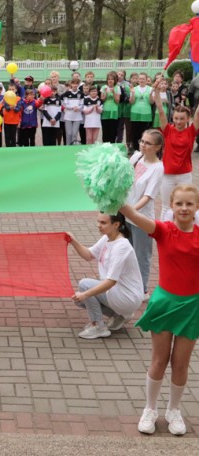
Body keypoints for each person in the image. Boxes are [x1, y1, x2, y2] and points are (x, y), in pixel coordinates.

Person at [120, 184, 199, 436]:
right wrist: (115, 199)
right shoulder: (164, 230)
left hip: (192, 306)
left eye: (189, 204)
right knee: (159, 360)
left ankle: (173, 410)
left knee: (181, 363)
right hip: (165, 303)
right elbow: (132, 215)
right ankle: (150, 409)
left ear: (197, 207)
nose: (184, 208)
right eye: (179, 204)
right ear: (172, 206)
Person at [67, 213, 143, 339]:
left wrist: (86, 294)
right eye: (98, 222)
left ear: (116, 225)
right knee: (81, 300)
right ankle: (119, 316)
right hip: (119, 293)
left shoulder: (121, 246)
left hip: (127, 296)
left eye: (103, 223)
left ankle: (98, 327)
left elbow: (111, 282)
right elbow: (88, 255)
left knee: (84, 286)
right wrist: (73, 241)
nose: (98, 225)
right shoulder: (107, 238)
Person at [126, 129, 164, 298]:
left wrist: (133, 212)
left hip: (141, 219)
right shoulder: (136, 157)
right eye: (142, 141)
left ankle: (142, 290)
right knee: (127, 252)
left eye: (148, 143)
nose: (143, 145)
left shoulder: (158, 168)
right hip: (126, 213)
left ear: (158, 147)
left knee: (142, 256)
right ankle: (127, 284)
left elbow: (148, 196)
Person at [153, 81, 199, 217]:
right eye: (176, 119)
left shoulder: (191, 131)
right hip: (167, 174)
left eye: (182, 119)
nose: (178, 122)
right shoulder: (167, 130)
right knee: (166, 206)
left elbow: (197, 114)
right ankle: (164, 235)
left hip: (185, 175)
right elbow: (160, 109)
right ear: (172, 118)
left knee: (185, 206)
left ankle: (183, 233)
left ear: (187, 119)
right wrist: (156, 91)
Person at [129, 72, 153, 151]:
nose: (141, 80)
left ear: (146, 80)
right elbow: (131, 102)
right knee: (135, 133)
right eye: (140, 79)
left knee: (145, 133)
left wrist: (150, 95)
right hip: (135, 113)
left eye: (143, 79)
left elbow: (152, 102)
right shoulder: (134, 89)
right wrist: (132, 94)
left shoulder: (150, 89)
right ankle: (136, 150)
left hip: (146, 113)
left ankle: (144, 150)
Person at [61, 78, 84, 145]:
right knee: (69, 134)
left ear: (78, 84)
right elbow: (65, 104)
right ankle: (68, 147)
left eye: (76, 83)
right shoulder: (67, 93)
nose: (75, 85)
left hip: (77, 116)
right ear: (71, 84)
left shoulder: (81, 93)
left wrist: (78, 108)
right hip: (68, 116)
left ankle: (73, 147)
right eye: (73, 83)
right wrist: (72, 108)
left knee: (74, 134)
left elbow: (82, 105)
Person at [100, 71, 121, 143]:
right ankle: (105, 147)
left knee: (113, 131)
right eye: (109, 79)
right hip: (105, 111)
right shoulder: (103, 87)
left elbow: (117, 101)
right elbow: (102, 100)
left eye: (112, 79)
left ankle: (112, 146)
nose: (110, 81)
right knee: (105, 131)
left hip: (114, 111)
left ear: (114, 80)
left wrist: (113, 92)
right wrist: (106, 93)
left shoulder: (117, 88)